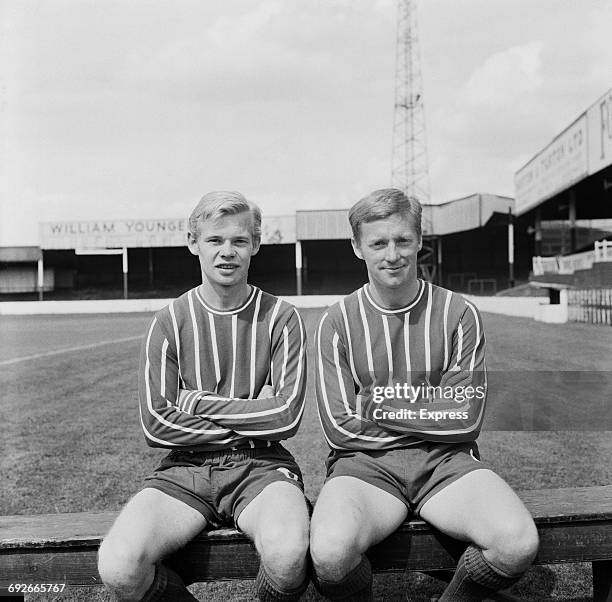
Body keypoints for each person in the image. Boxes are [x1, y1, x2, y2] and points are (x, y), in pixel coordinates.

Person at [310, 188, 539, 601]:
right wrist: (433, 415)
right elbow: (339, 429)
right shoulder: (336, 321)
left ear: (419, 240)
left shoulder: (458, 312)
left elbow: (466, 416)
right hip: (365, 466)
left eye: (402, 240)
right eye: (378, 242)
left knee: (516, 543)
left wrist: (374, 402)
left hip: (445, 462)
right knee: (329, 554)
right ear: (357, 247)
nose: (392, 254)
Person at [98, 191, 310, 602]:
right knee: (119, 566)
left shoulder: (282, 318)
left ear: (256, 245)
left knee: (287, 556)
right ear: (193, 243)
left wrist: (193, 402)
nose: (227, 252)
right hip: (184, 469)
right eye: (215, 241)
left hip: (262, 465)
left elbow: (285, 418)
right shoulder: (168, 322)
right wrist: (252, 412)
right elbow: (156, 424)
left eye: (239, 241)